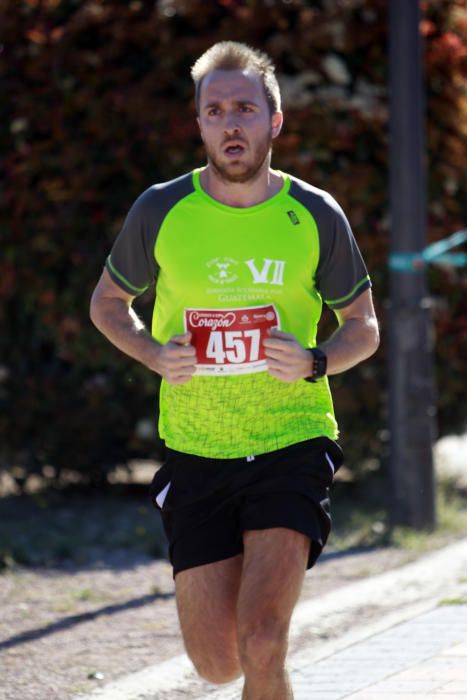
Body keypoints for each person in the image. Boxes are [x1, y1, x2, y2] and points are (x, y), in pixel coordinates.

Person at [90, 41, 379, 700]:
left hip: (291, 440)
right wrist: (152, 353)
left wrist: (315, 361)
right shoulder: (161, 209)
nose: (229, 124)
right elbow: (107, 305)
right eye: (214, 111)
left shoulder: (313, 213)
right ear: (198, 125)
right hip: (197, 447)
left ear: (273, 121)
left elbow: (362, 327)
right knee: (219, 664)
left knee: (263, 638)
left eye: (244, 108)